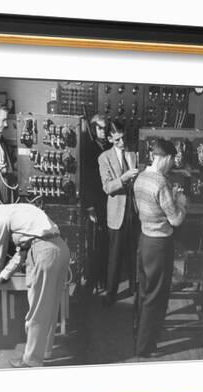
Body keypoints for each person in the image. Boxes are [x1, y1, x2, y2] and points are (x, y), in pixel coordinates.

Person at [0, 201, 70, 368]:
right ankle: (45, 352)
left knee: (37, 311)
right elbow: (21, 253)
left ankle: (31, 361)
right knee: (50, 307)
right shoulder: (19, 210)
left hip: (44, 252)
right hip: (61, 249)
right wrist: (3, 276)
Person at [133, 139, 187, 358]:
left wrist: (169, 198)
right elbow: (175, 220)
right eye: (172, 160)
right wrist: (181, 201)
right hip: (159, 245)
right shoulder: (161, 184)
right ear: (164, 158)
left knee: (144, 292)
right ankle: (145, 348)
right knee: (157, 296)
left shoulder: (141, 177)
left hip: (145, 240)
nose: (173, 165)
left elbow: (143, 208)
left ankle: (140, 336)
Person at [97, 120, 139, 306]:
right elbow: (107, 187)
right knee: (114, 255)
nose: (122, 143)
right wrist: (123, 178)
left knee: (134, 253)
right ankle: (111, 294)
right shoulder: (104, 158)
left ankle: (134, 288)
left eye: (123, 138)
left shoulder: (133, 154)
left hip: (135, 211)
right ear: (109, 139)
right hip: (116, 214)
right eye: (117, 140)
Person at [84, 115, 112, 291]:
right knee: (93, 243)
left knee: (105, 242)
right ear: (93, 129)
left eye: (105, 128)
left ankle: (103, 277)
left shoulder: (109, 146)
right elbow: (86, 179)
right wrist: (90, 207)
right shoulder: (88, 149)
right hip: (95, 201)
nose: (103, 131)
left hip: (108, 200)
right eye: (100, 128)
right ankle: (93, 279)